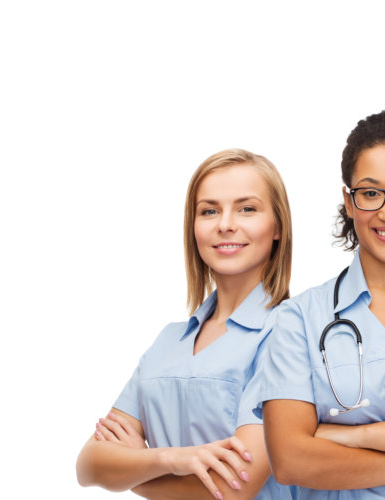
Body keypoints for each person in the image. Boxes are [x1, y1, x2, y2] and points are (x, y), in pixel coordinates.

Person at [251, 110, 385, 499]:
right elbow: (290, 461)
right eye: (370, 193)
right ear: (348, 203)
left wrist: (353, 435)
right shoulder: (298, 319)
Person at [76, 149, 296, 500]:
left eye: (247, 209)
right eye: (209, 210)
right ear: (193, 228)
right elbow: (88, 465)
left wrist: (133, 471)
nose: (225, 224)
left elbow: (234, 485)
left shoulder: (289, 334)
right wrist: (172, 458)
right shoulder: (168, 341)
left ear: (278, 228)